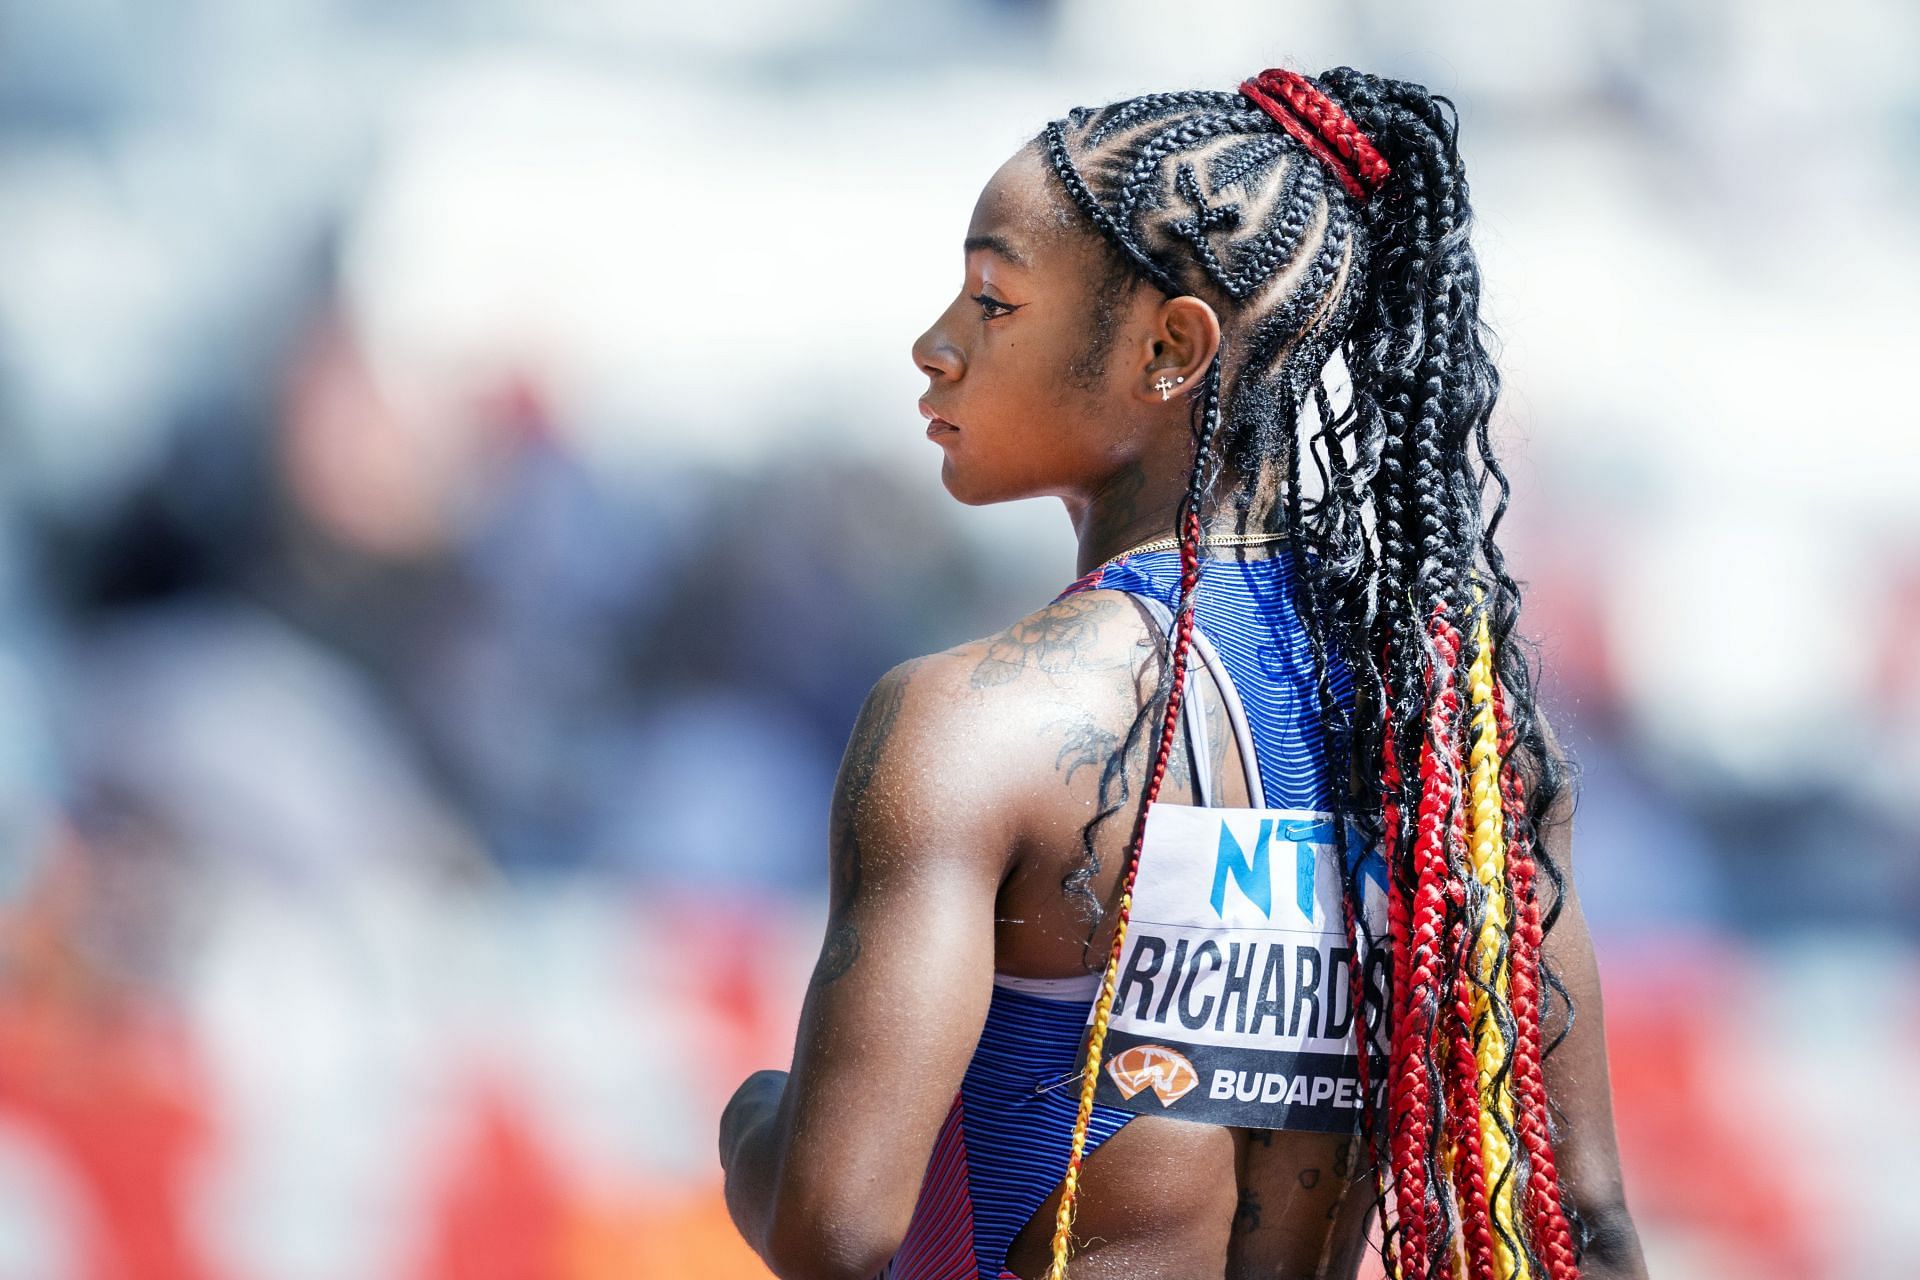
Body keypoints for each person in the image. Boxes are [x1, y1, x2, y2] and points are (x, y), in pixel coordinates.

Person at [720, 65, 1648, 1280]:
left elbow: (836, 1227)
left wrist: (753, 1119)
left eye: (993, 301)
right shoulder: (1457, 746)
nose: (936, 345)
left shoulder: (970, 725)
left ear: (1170, 346)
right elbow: (1581, 1221)